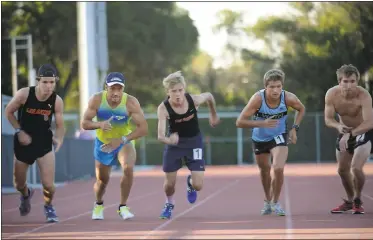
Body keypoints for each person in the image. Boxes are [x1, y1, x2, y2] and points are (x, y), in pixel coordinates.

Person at [236, 69, 305, 216]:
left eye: (279, 86)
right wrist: (262, 123)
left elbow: (301, 109)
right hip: (259, 139)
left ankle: (275, 202)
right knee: (265, 172)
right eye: (272, 87)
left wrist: (294, 129)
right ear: (265, 87)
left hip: (279, 136)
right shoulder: (257, 99)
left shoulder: (288, 98)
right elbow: (240, 122)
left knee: (278, 168)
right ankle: (267, 201)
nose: (276, 90)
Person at [81, 72, 148, 220]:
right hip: (103, 143)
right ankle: (98, 204)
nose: (116, 93)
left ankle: (123, 207)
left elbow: (143, 128)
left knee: (128, 167)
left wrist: (123, 139)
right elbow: (84, 123)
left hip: (124, 141)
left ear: (123, 89)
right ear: (106, 88)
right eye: (112, 89)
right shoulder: (97, 100)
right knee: (102, 181)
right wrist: (99, 124)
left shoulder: (130, 102)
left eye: (119, 89)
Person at [5, 64, 65, 223]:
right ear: (38, 81)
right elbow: (8, 112)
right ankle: (25, 195)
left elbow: (60, 125)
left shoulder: (57, 101)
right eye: (45, 82)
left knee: (48, 185)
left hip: (44, 143)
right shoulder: (24, 94)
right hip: (23, 143)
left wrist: (59, 139)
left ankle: (48, 206)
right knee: (18, 184)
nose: (49, 86)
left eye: (52, 82)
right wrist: (19, 131)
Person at [156, 71, 220, 219]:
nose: (178, 94)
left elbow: (209, 96)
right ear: (168, 92)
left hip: (194, 142)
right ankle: (169, 203)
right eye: (174, 91)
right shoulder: (163, 108)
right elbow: (160, 135)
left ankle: (190, 183)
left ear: (184, 89)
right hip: (175, 144)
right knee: (169, 184)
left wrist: (213, 114)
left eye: (180, 90)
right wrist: (169, 140)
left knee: (199, 185)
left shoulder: (194, 100)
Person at [325, 64, 372, 215]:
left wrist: (351, 134)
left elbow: (369, 122)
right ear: (339, 82)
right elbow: (328, 119)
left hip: (363, 131)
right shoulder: (331, 94)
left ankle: (358, 199)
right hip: (344, 131)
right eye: (345, 81)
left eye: (352, 81)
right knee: (342, 170)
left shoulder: (364, 96)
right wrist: (338, 127)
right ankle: (350, 200)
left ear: (357, 82)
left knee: (356, 168)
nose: (349, 85)